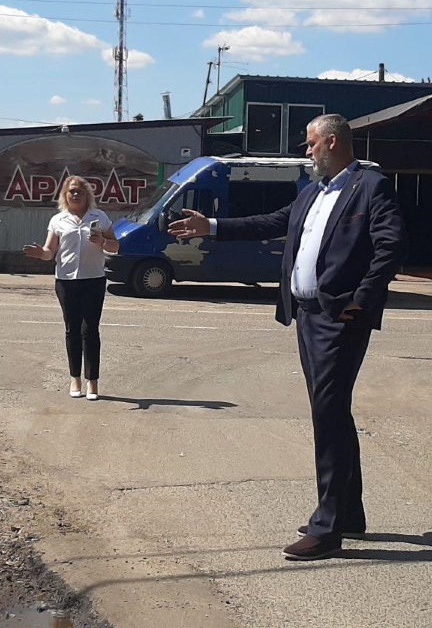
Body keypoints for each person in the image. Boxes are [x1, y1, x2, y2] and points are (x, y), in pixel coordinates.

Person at [169, 114, 407, 561]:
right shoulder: (312, 191)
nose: (306, 150)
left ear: (332, 142)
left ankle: (328, 527)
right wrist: (213, 228)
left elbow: (391, 246)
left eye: (311, 143)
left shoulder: (371, 187)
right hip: (306, 315)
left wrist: (363, 297)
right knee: (333, 412)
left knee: (328, 414)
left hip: (340, 317)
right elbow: (271, 222)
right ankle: (348, 513)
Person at [24, 176, 119, 401]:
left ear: (87, 195)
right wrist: (41, 253)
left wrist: (103, 243)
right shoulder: (58, 220)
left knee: (90, 329)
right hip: (66, 281)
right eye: (71, 192)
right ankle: (74, 378)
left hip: (93, 279)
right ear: (65, 196)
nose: (75, 195)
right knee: (72, 329)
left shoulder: (99, 217)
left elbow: (116, 246)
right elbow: (49, 251)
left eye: (79, 191)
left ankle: (92, 382)